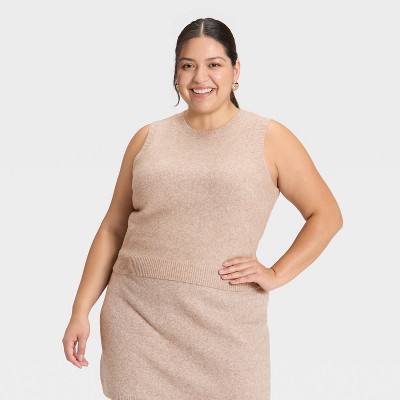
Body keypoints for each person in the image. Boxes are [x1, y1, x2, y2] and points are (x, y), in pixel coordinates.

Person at [62, 17, 343, 400]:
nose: (200, 77)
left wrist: (276, 273)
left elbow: (326, 215)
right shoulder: (147, 138)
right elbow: (113, 228)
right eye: (188, 65)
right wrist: (80, 310)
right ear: (176, 72)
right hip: (137, 320)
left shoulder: (269, 138)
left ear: (235, 70)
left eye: (214, 64)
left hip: (228, 327)